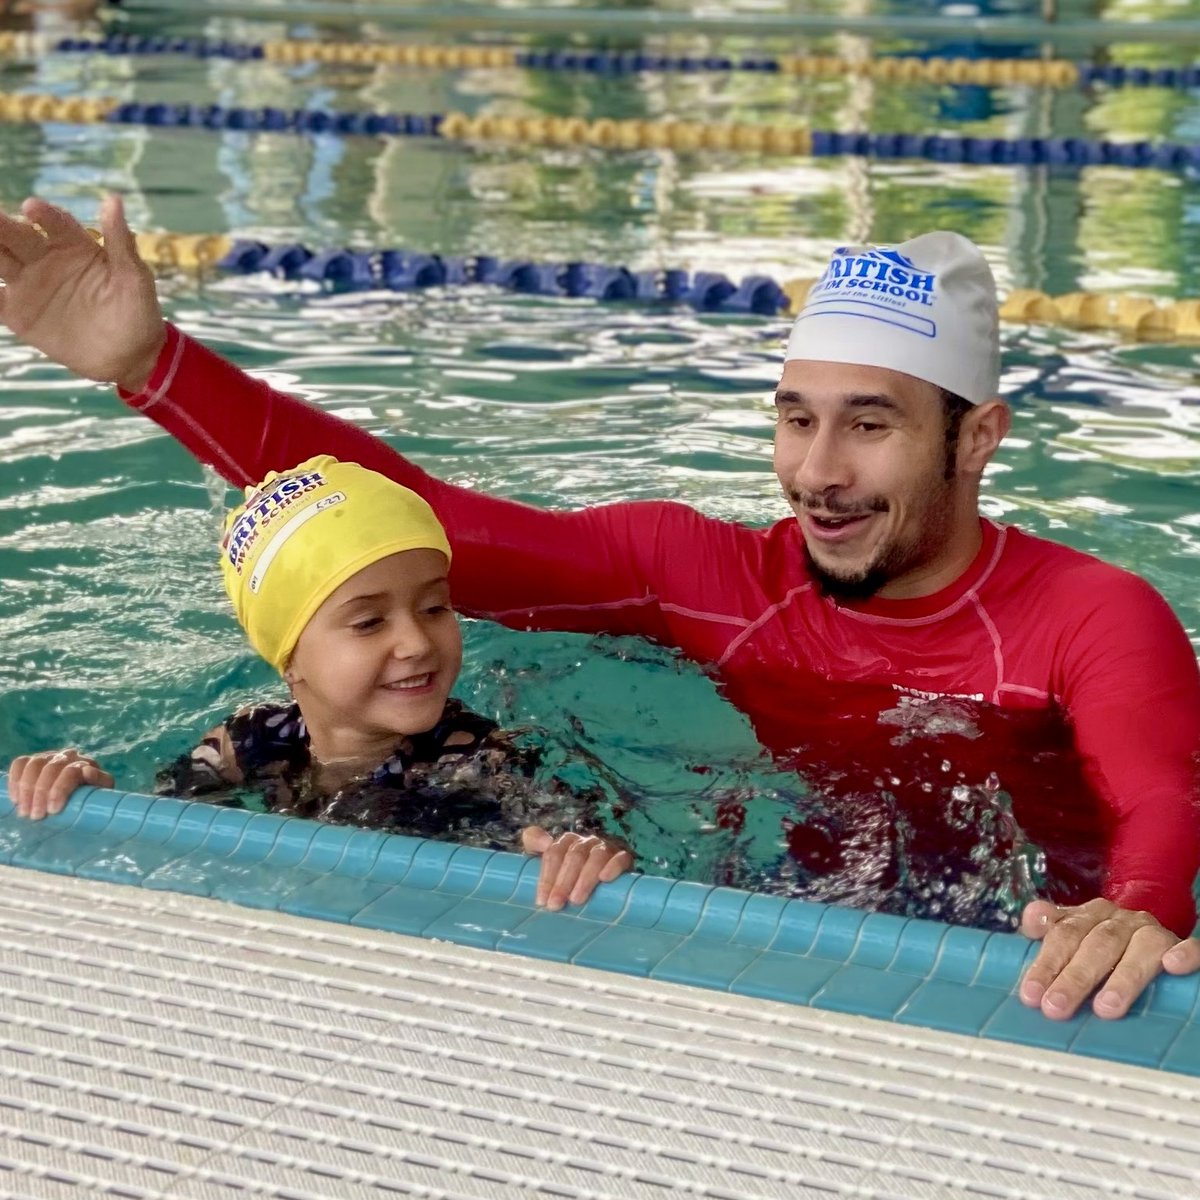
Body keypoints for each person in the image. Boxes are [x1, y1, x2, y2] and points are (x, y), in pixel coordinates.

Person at [0, 195, 1197, 1021]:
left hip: (1024, 953)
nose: (817, 470)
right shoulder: (702, 573)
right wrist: (152, 365)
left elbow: (1166, 797)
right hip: (776, 912)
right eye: (795, 416)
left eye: (870, 424)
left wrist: (1133, 914)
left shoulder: (1094, 616)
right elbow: (407, 521)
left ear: (976, 436)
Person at [6, 453, 635, 912]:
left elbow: (576, 834)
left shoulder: (477, 757)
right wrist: (90, 798)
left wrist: (586, 848)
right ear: (290, 660)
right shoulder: (251, 738)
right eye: (368, 622)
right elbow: (157, 825)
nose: (417, 642)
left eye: (435, 608)